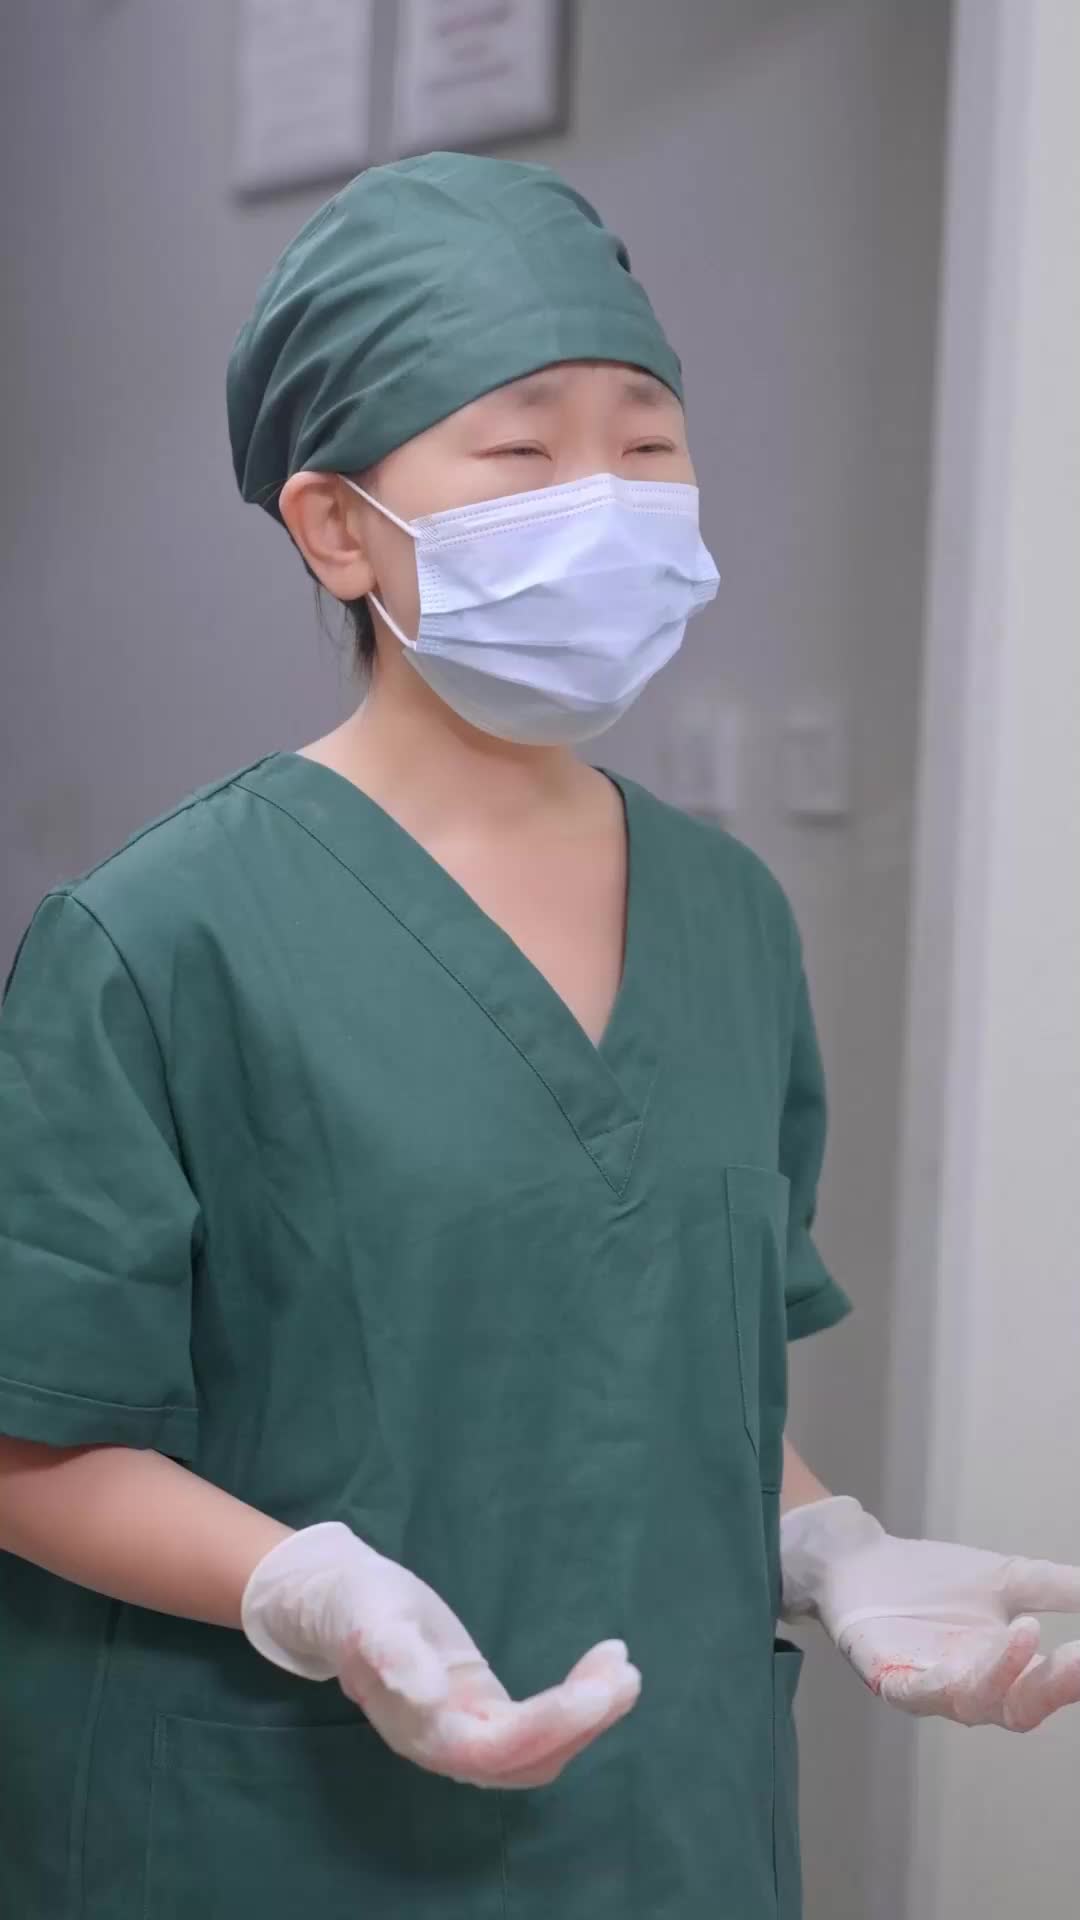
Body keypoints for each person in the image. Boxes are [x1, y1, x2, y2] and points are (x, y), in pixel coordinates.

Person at [1, 152, 1078, 1920]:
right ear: (337, 528)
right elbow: (30, 1443)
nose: (607, 499)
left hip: (670, 1831)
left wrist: (829, 1545)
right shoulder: (160, 938)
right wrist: (311, 1593)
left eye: (648, 443)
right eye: (521, 451)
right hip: (282, 1840)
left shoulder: (730, 918)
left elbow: (652, 1369)